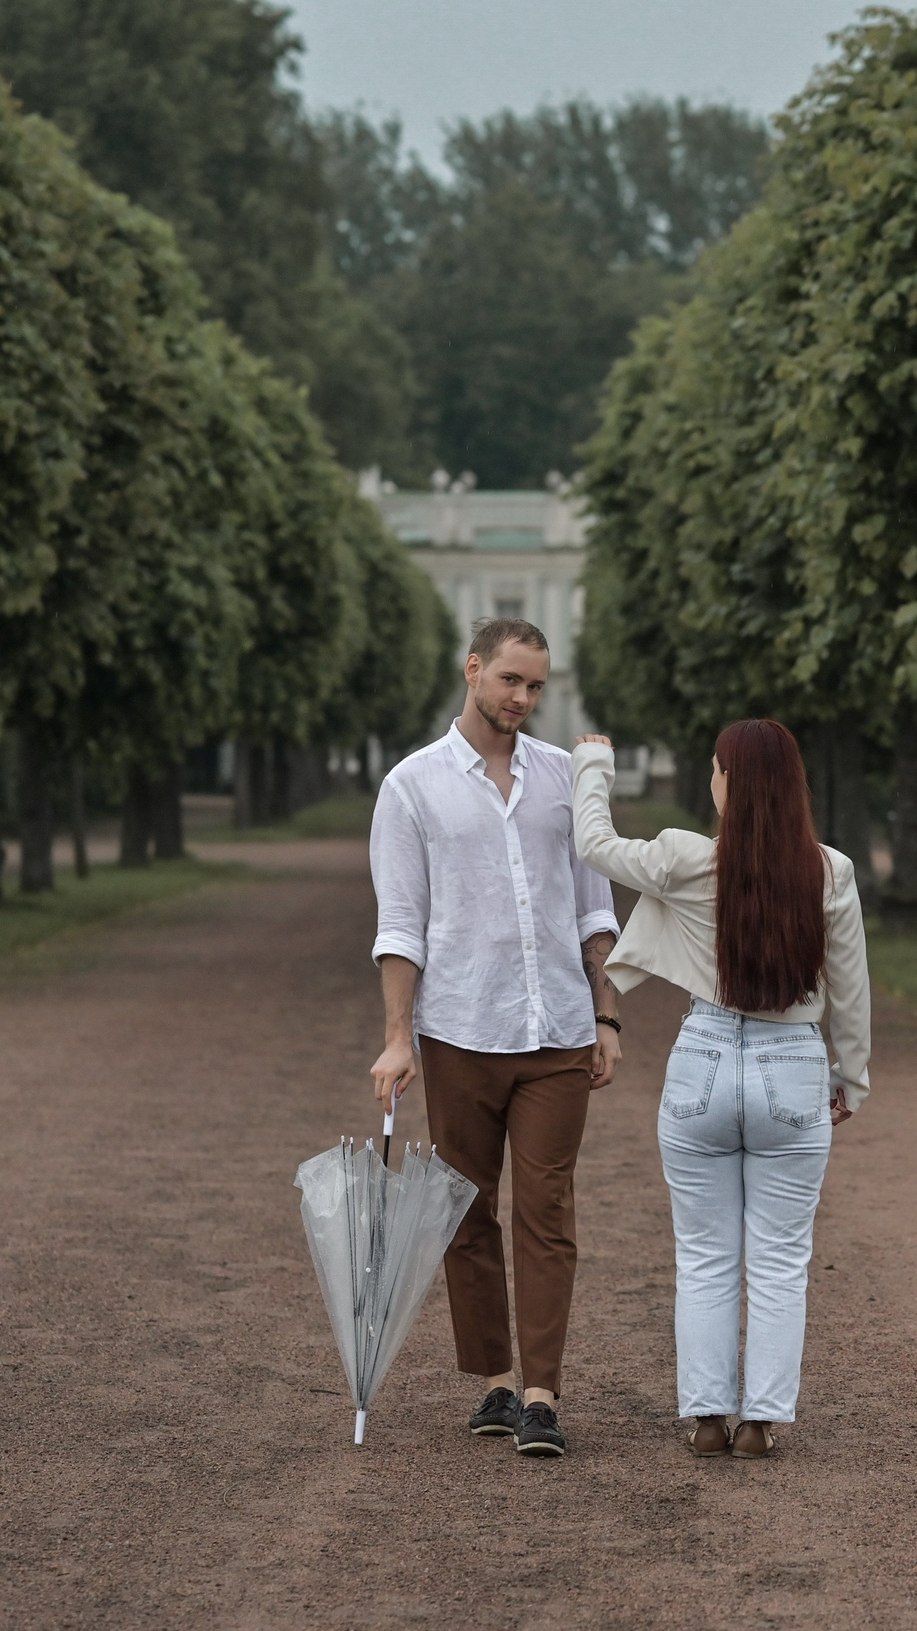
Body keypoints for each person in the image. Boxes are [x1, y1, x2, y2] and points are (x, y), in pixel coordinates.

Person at [569, 719, 870, 1460]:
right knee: (779, 1258)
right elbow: (851, 990)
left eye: (715, 768)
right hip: (792, 1066)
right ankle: (761, 1421)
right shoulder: (831, 871)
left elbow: (595, 846)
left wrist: (593, 764)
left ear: (729, 782)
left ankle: (707, 1416)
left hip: (703, 1058)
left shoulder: (685, 857)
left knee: (703, 1254)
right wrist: (849, 1076)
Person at [366, 616, 623, 1460]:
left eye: (537, 685)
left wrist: (607, 1013)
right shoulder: (411, 786)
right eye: (511, 680)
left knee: (545, 1207)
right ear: (473, 670)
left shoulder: (563, 780)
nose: (524, 698)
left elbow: (595, 912)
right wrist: (398, 1037)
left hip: (555, 1028)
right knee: (468, 1211)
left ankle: (543, 1395)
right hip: (459, 1030)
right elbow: (402, 923)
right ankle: (496, 1383)